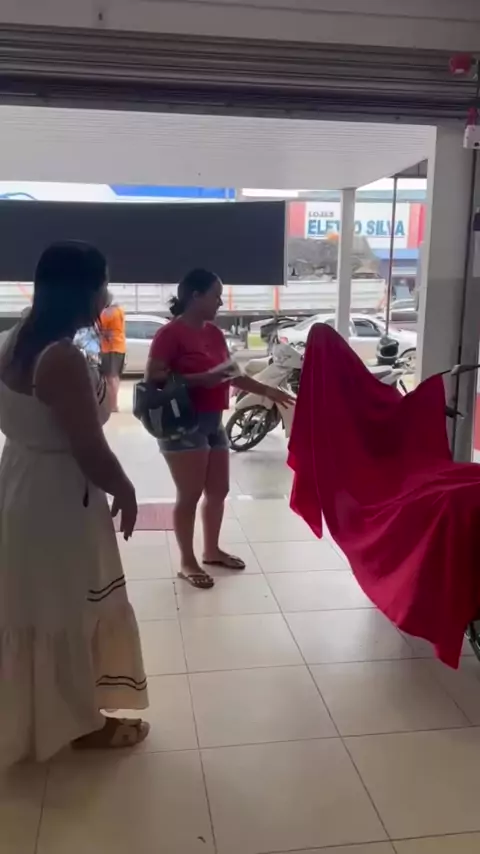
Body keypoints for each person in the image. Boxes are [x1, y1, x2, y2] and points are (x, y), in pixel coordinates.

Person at [0, 241, 149, 766]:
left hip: (20, 481)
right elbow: (89, 447)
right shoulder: (60, 358)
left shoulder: (15, 339)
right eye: (103, 284)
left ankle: (41, 715)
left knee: (33, 605)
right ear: (83, 291)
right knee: (68, 606)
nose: (107, 295)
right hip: (58, 497)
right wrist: (125, 489)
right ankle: (79, 722)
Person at [146, 268, 294, 589]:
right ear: (195, 296)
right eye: (215, 295)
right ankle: (187, 561)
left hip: (214, 421)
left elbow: (231, 374)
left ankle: (211, 550)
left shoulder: (213, 333)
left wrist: (268, 390)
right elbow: (153, 379)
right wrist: (202, 379)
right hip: (183, 424)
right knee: (189, 494)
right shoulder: (170, 334)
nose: (220, 302)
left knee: (218, 491)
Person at [98, 293, 126, 412]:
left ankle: (113, 405)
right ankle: (114, 403)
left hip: (110, 348)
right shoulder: (119, 310)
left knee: (110, 378)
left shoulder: (106, 313)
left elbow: (100, 328)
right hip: (120, 346)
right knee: (115, 376)